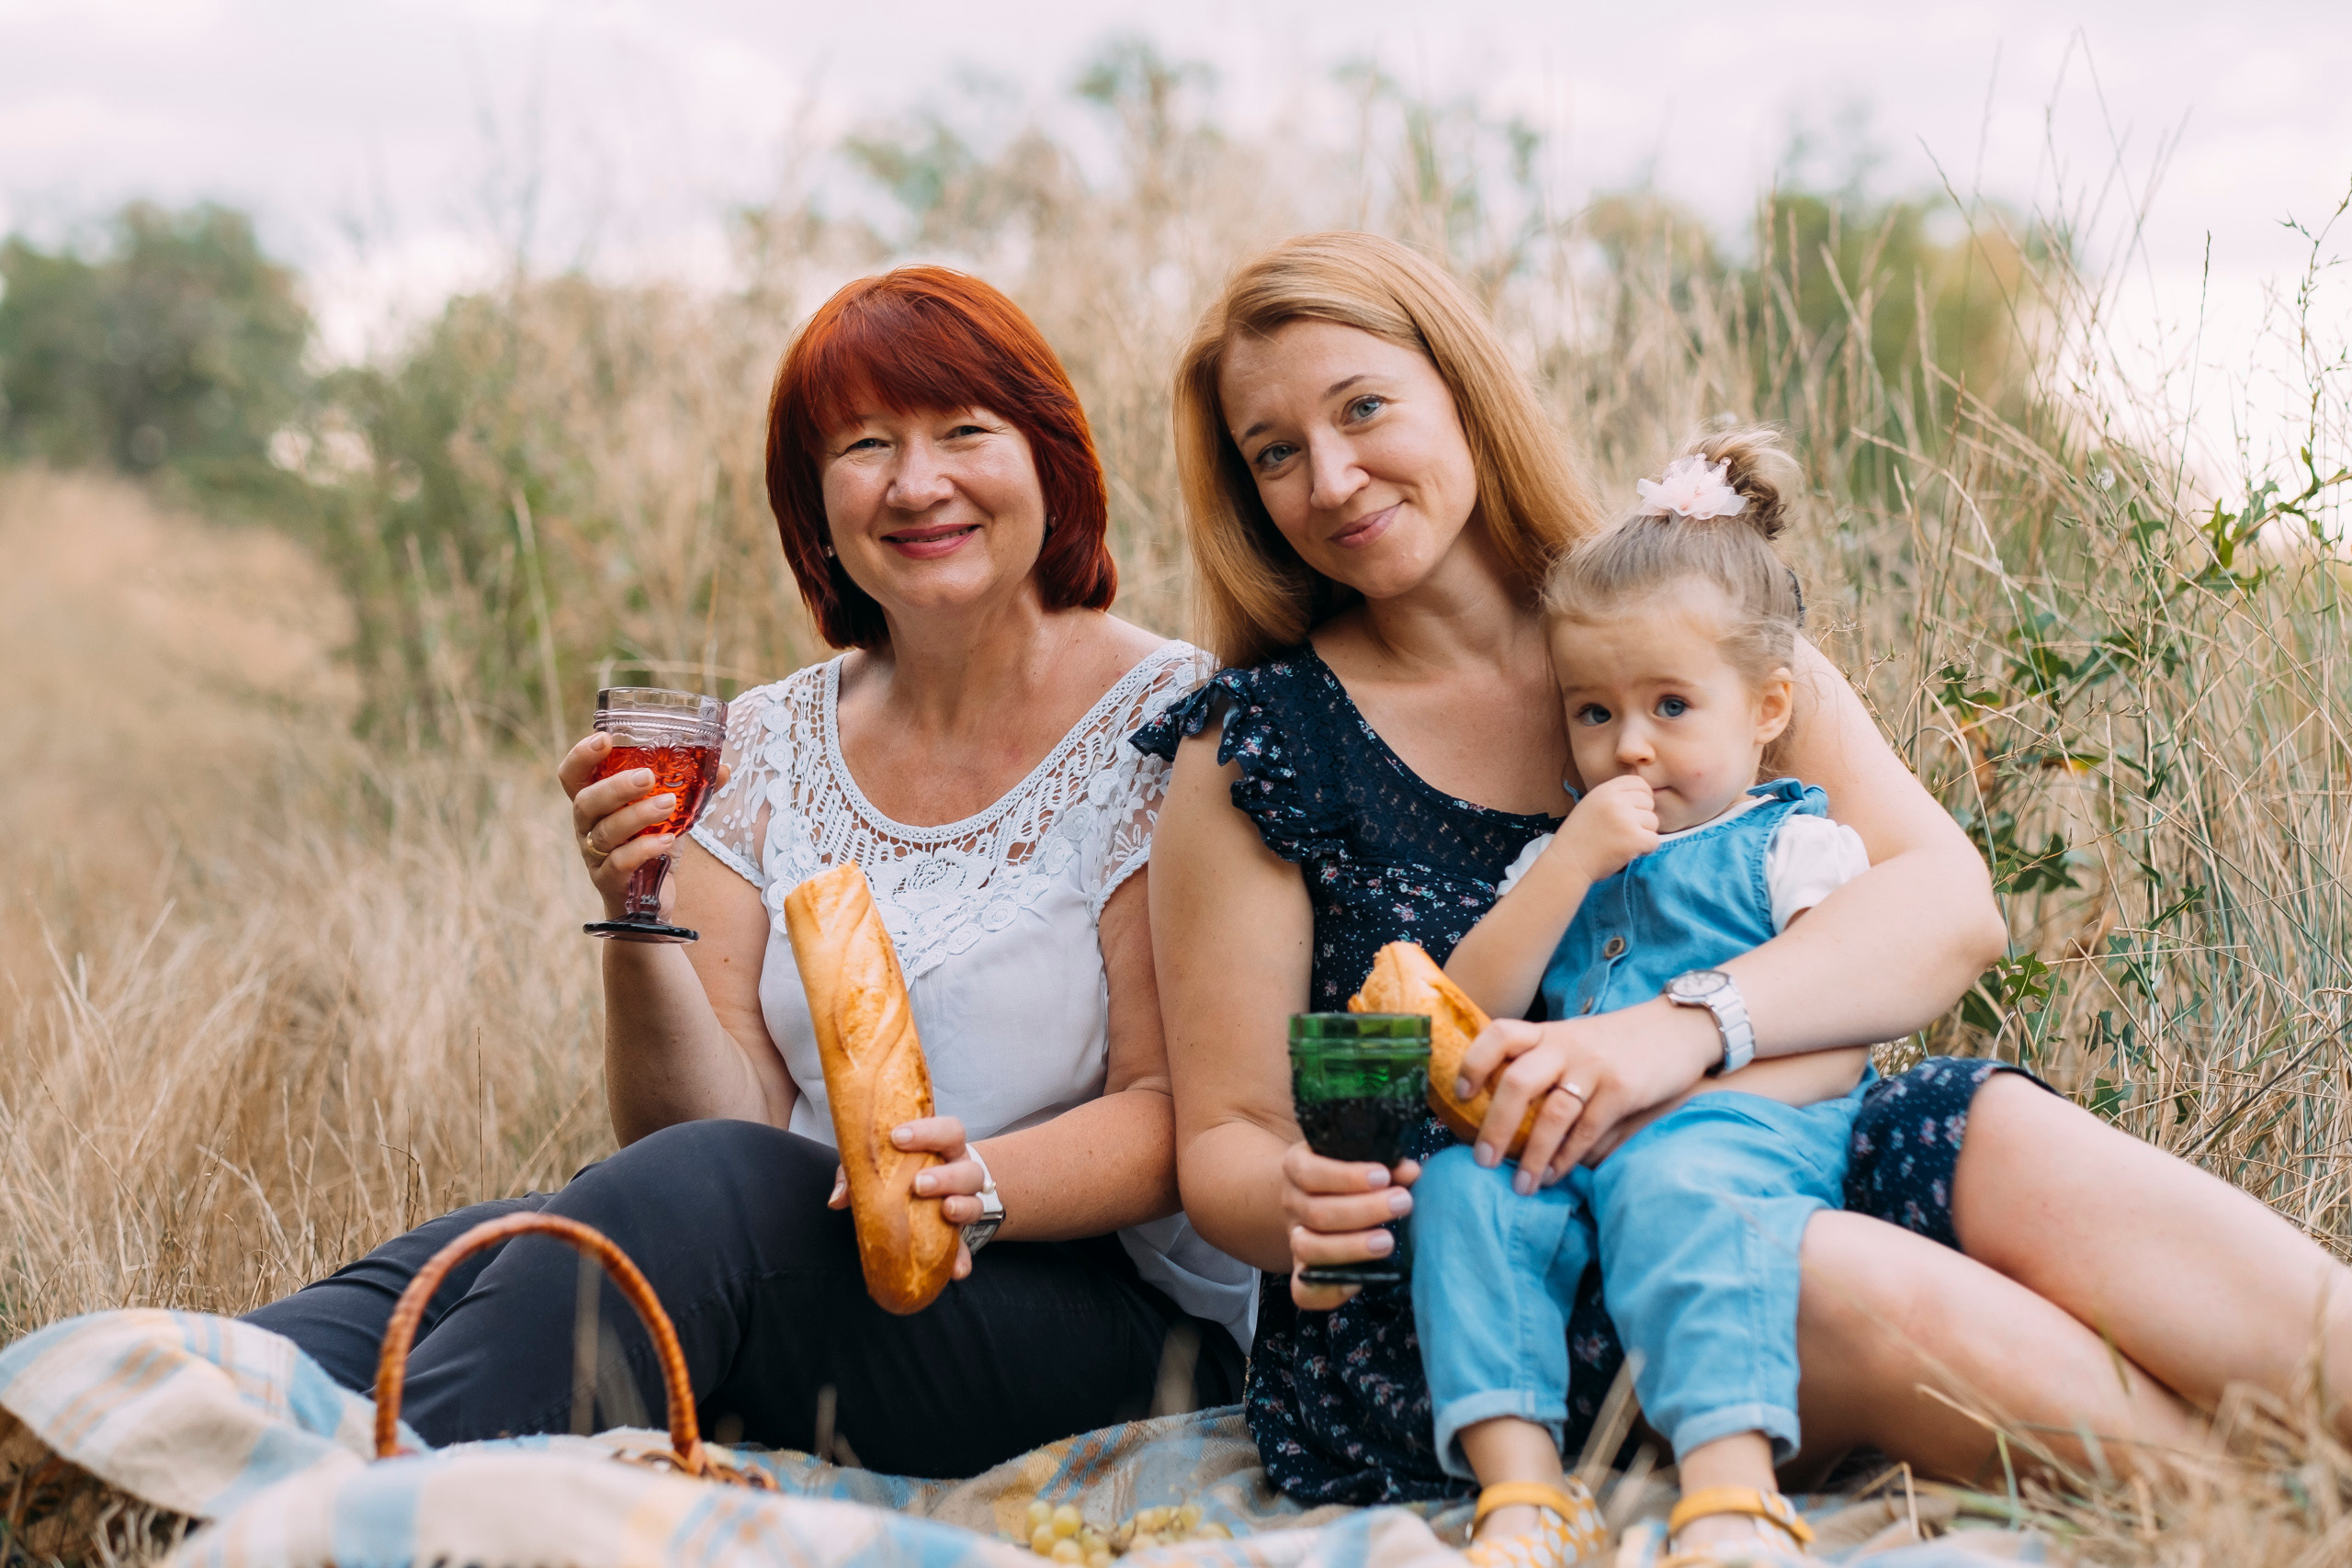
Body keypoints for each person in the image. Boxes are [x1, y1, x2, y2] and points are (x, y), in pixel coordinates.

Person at [1136, 231, 2352, 1548]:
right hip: (1495, 1264)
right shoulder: (1257, 744)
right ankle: (2278, 1523)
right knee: (1810, 1265)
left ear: (1461, 388)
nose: (1331, 475)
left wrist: (1678, 1033)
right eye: (1273, 451)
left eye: (1363, 407)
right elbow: (1237, 1134)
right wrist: (1303, 1192)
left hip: (1766, 1129)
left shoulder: (1671, 610)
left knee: (1997, 1132)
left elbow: (1948, 903)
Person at [246, 265, 1252, 1477]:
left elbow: (1175, 1111)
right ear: (813, 504)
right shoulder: (768, 741)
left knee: (684, 1202)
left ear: (1052, 459)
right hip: (815, 1253)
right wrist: (640, 912)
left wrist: (961, 1187)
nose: (917, 480)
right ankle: (130, 1417)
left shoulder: (1174, 720)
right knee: (496, 1246)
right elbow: (701, 1129)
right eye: (866, 444)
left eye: (965, 432)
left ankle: (339, 1515)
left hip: (1109, 1323)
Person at [1412, 427, 1881, 1568]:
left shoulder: (1793, 849)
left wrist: (1701, 1096)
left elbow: (1844, 1031)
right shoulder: (1564, 856)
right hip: (1572, 1136)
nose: (1629, 747)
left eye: (1671, 706)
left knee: (1683, 1188)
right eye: (1593, 714)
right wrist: (1568, 864)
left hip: (1738, 1130)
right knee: (1460, 1192)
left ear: (1766, 707)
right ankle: (1521, 1495)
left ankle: (1731, 1490)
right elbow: (1462, 1007)